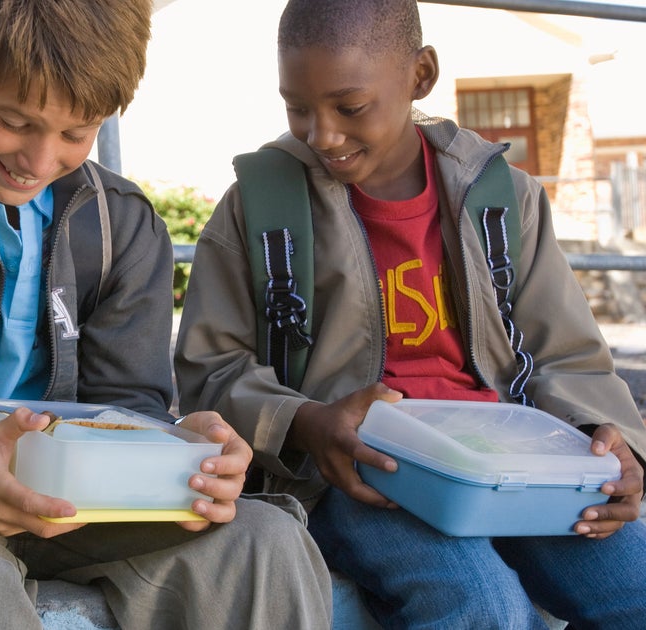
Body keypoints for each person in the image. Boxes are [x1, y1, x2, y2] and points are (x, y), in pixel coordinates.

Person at [0, 0, 332, 627]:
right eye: (15, 122)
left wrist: (184, 460)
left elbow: (129, 412)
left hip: (78, 513)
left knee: (263, 540)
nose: (40, 161)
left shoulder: (123, 225)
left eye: (76, 133)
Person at [174, 0, 646, 627]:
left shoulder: (504, 200)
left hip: (512, 471)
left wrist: (610, 445)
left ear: (420, 75)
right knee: (483, 606)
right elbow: (209, 371)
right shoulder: (259, 212)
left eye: (350, 107)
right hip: (361, 477)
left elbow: (567, 356)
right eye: (297, 107)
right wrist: (308, 421)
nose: (322, 135)